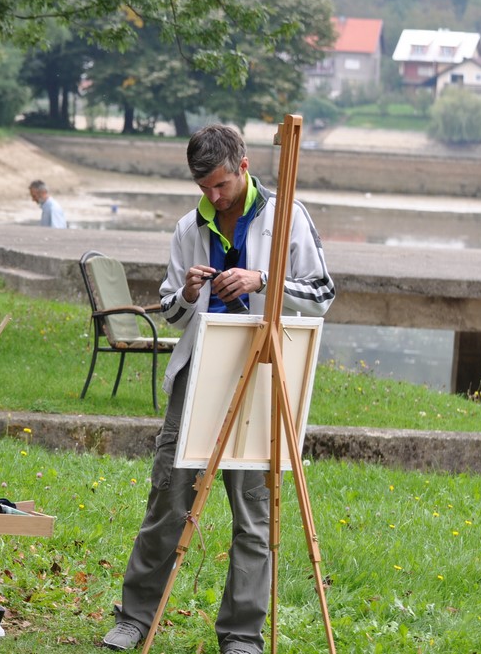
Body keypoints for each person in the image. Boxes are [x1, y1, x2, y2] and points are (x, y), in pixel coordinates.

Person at [102, 124, 336, 654]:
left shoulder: (287, 216)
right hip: (200, 374)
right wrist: (185, 292)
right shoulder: (189, 226)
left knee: (254, 511)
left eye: (221, 185)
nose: (213, 196)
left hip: (263, 372)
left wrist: (261, 280)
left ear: (244, 166)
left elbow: (322, 293)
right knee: (169, 496)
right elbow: (170, 310)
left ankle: (241, 633)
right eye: (203, 187)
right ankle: (135, 617)